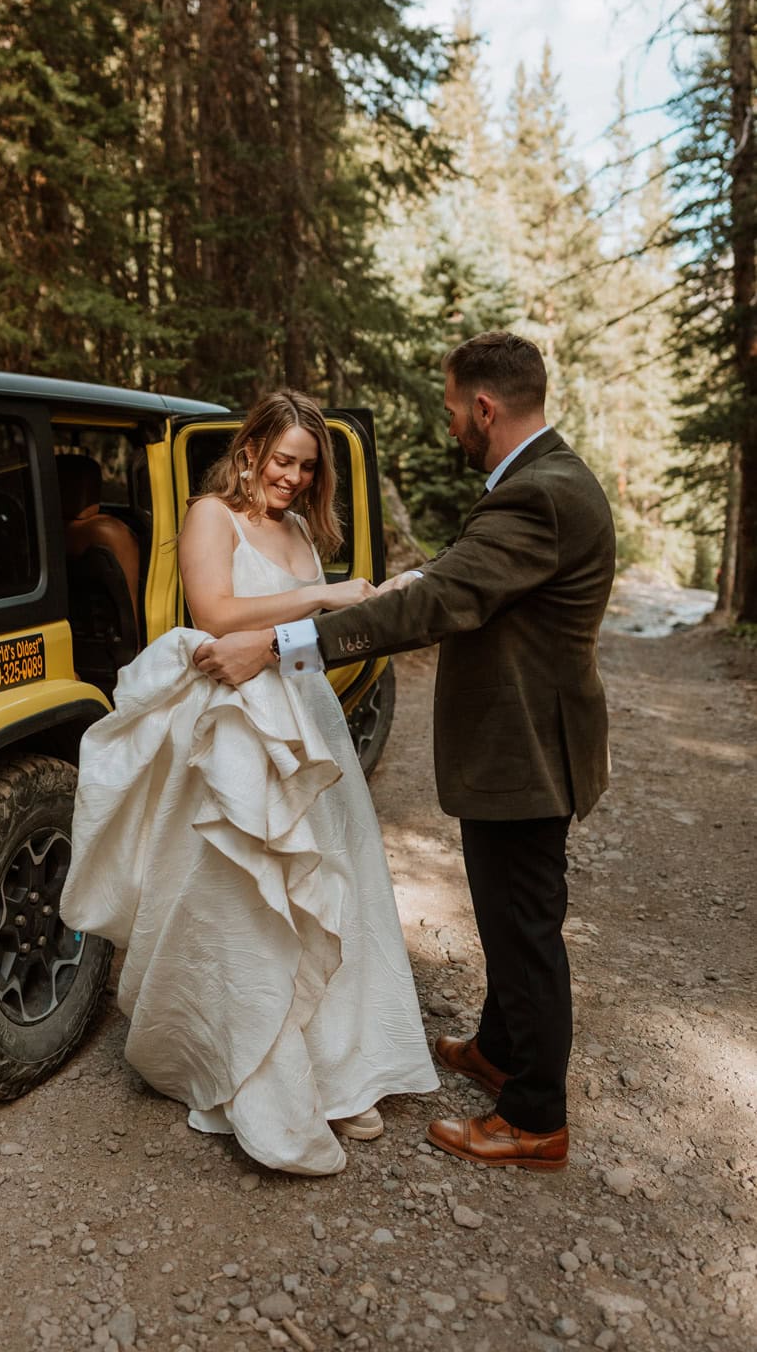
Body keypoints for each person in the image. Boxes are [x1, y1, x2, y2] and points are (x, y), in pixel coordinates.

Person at [196, 333, 616, 1172]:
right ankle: (501, 1049)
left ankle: (533, 1117)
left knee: (524, 927)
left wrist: (278, 644)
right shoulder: (541, 483)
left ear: (484, 408)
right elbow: (452, 582)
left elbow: (437, 606)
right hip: (521, 749)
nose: (450, 422)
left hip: (524, 754)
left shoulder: (537, 495)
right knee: (505, 914)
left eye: (454, 409)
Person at [60, 390, 438, 1176]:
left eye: (306, 467)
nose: (293, 479)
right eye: (282, 460)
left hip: (303, 717)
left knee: (331, 883)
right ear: (249, 452)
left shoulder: (299, 526)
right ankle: (248, 1070)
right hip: (235, 727)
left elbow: (294, 643)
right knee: (248, 898)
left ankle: (340, 1067)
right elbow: (217, 611)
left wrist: (352, 613)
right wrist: (328, 592)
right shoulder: (211, 515)